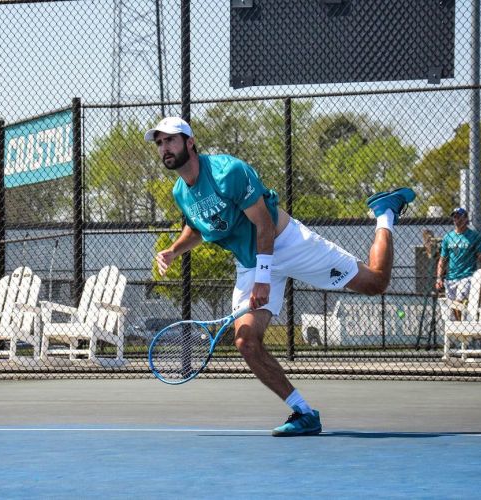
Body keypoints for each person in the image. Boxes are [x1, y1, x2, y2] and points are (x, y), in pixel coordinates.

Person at [146, 116, 415, 437]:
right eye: (160, 143)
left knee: (376, 283)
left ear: (189, 142)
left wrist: (263, 278)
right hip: (250, 263)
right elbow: (199, 226)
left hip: (287, 243)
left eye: (171, 140)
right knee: (246, 342)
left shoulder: (228, 172)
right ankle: (303, 413)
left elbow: (264, 226)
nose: (164, 148)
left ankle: (384, 213)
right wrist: (174, 250)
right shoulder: (182, 192)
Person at [435, 207, 481, 320]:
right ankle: (460, 326)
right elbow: (442, 260)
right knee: (453, 306)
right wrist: (439, 278)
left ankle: (461, 326)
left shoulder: (474, 236)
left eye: (459, 216)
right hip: (450, 277)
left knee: (459, 301)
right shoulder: (448, 237)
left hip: (467, 276)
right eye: (455, 216)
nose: (457, 219)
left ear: (466, 219)